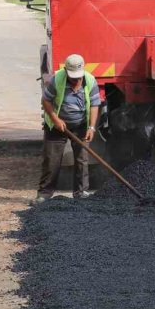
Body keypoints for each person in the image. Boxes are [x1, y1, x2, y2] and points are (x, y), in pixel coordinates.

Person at [36, 54, 101, 202]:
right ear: (66, 71)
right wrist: (56, 119)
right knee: (51, 160)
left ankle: (81, 193)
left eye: (78, 77)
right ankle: (44, 194)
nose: (76, 80)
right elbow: (46, 100)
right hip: (56, 126)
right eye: (73, 77)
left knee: (82, 159)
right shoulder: (57, 80)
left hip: (81, 125)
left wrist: (91, 127)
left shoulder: (90, 81)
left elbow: (94, 104)